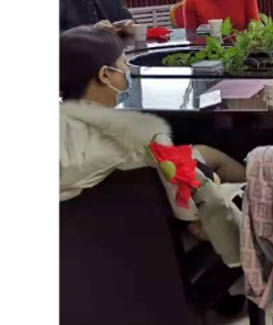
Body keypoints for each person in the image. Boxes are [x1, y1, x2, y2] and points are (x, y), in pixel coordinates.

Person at [59, 29, 245, 274]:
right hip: (150, 241)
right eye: (122, 64)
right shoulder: (142, 140)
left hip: (81, 251)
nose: (127, 70)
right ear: (105, 75)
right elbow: (196, 209)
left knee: (206, 154)